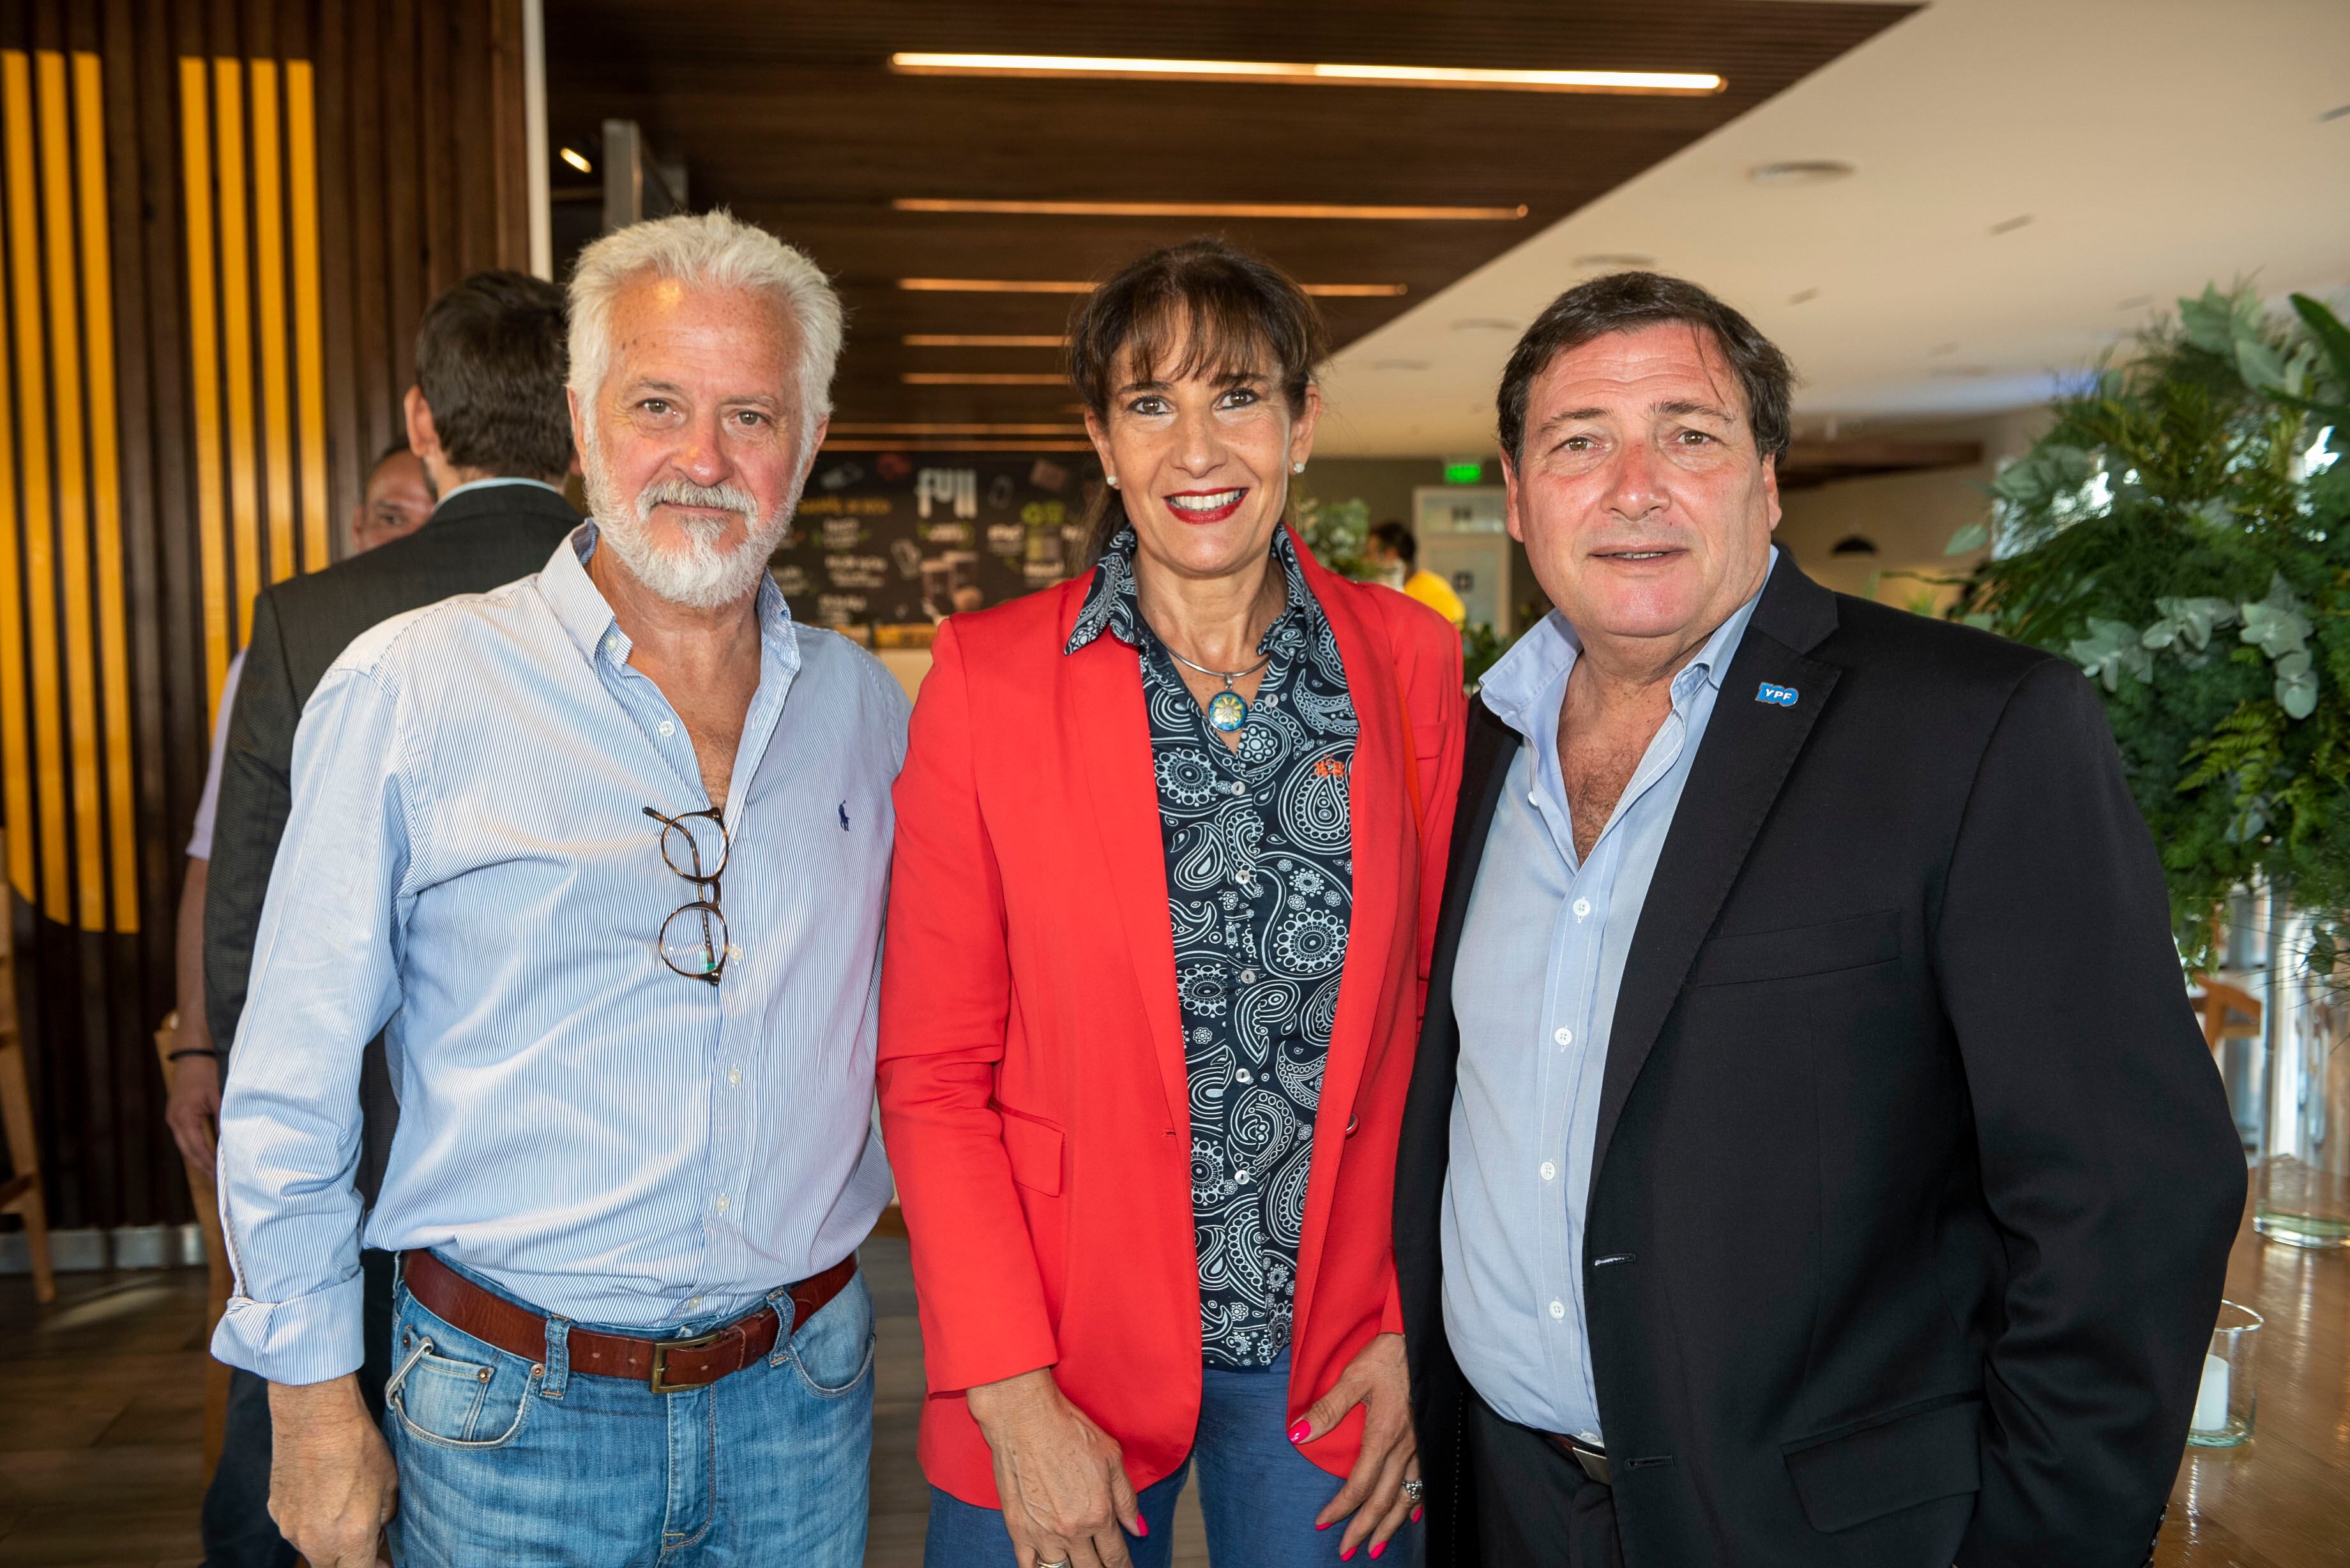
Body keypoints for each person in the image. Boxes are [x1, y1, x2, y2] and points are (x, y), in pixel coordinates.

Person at [1391, 271, 2245, 1567]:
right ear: (1515, 498)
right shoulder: (1469, 754)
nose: (1634, 486)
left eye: (1690, 434)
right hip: (1504, 1497)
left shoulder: (1974, 728)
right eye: (1579, 444)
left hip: (1828, 1530)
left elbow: (2128, 1204)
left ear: (1767, 480)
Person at [212, 210, 904, 1567]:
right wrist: (305, 1395)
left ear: (807, 445)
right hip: (508, 1413)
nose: (703, 459)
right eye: (659, 404)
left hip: (806, 1399)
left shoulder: (868, 712)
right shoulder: (409, 688)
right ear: (584, 422)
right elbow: (287, 1076)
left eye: (750, 413)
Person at [879, 238, 1465, 1568]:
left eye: (1237, 396)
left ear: (1302, 423)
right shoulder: (990, 677)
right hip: (1057, 1348)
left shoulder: (1409, 658)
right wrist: (1010, 1390)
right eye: (1150, 404)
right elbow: (930, 1071)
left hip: (1335, 1344)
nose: (1197, 447)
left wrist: (1410, 1320)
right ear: (1101, 439)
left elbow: (1443, 1013)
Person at [165, 441, 432, 1193]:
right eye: (389, 517)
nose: (403, 540)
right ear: (356, 528)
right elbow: (216, 856)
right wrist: (195, 1044)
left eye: (426, 520)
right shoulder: (278, 653)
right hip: (306, 1023)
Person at [1363, 523, 1465, 628]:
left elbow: (1453, 633)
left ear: (1391, 555)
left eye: (1370, 553)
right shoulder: (1397, 591)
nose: (1364, 560)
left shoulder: (1431, 589)